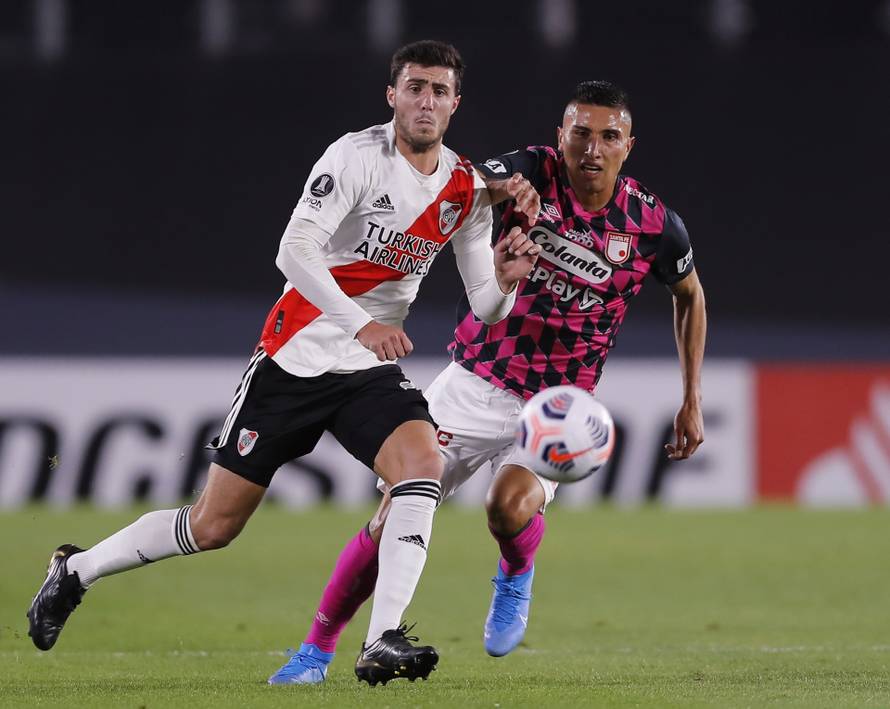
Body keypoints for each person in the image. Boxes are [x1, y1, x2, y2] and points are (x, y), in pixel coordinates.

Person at [26, 40, 541, 687]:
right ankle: (75, 569)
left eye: (439, 90)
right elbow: (293, 250)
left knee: (422, 465)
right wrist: (363, 322)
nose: (426, 101)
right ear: (392, 95)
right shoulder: (355, 157)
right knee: (211, 525)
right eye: (414, 87)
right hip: (292, 360)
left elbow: (487, 307)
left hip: (365, 370)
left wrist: (509, 278)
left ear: (456, 103)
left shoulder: (465, 188)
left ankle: (381, 636)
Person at [278, 80, 707, 683]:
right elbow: (466, 179)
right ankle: (315, 651)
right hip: (474, 379)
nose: (591, 147)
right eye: (579, 132)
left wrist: (692, 399)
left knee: (506, 509)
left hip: (558, 405)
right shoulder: (532, 169)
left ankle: (514, 572)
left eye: (608, 136)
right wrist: (498, 185)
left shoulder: (653, 225)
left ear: (628, 145)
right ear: (561, 136)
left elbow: (689, 295)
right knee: (390, 516)